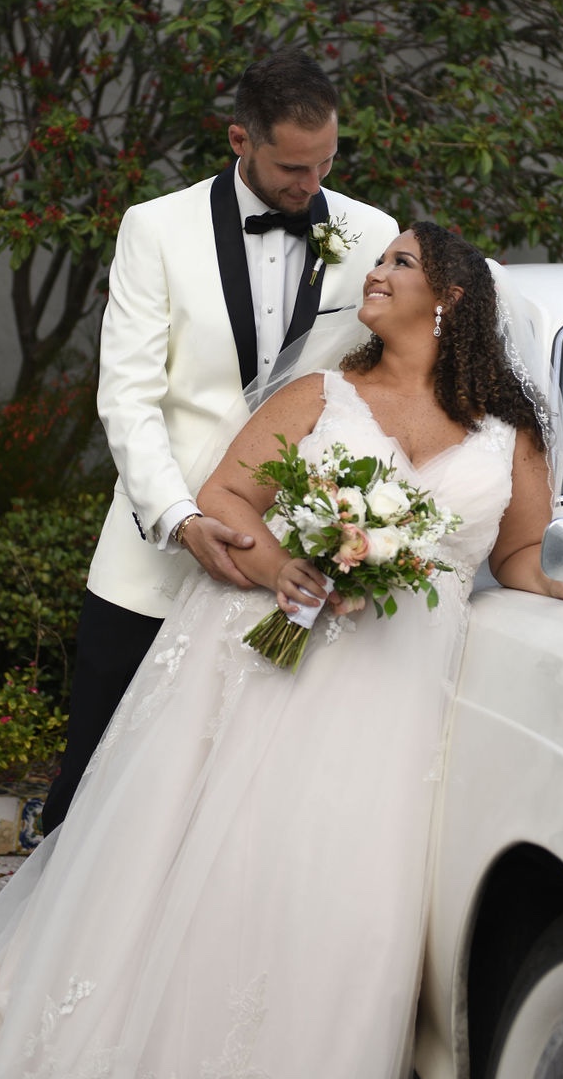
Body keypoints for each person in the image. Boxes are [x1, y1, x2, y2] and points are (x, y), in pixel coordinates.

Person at [0, 223, 563, 1079]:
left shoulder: (512, 437)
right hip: (271, 664)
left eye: (400, 264)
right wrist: (278, 569)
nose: (376, 275)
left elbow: (515, 554)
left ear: (451, 299)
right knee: (214, 863)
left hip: (393, 699)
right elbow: (225, 500)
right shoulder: (320, 395)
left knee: (334, 894)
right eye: (379, 259)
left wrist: (554, 590)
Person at [40, 47, 399, 833]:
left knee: (231, 808)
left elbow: (388, 375)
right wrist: (177, 516)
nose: (310, 189)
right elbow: (128, 395)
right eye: (292, 170)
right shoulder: (156, 229)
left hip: (292, 563)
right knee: (91, 794)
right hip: (154, 559)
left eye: (325, 164)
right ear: (241, 140)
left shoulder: (366, 233)